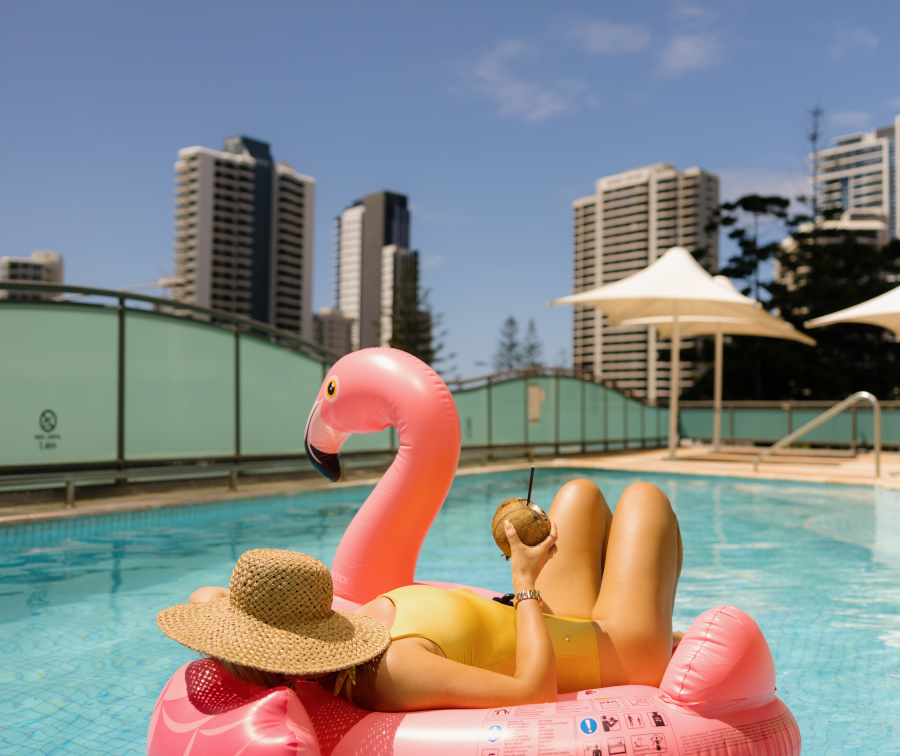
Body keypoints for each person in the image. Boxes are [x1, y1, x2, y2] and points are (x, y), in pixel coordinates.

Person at [163, 479, 683, 712]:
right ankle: (657, 634)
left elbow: (206, 594)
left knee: (578, 494)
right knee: (645, 498)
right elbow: (533, 693)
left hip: (553, 623)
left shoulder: (347, 629)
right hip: (617, 652)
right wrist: (524, 582)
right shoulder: (389, 671)